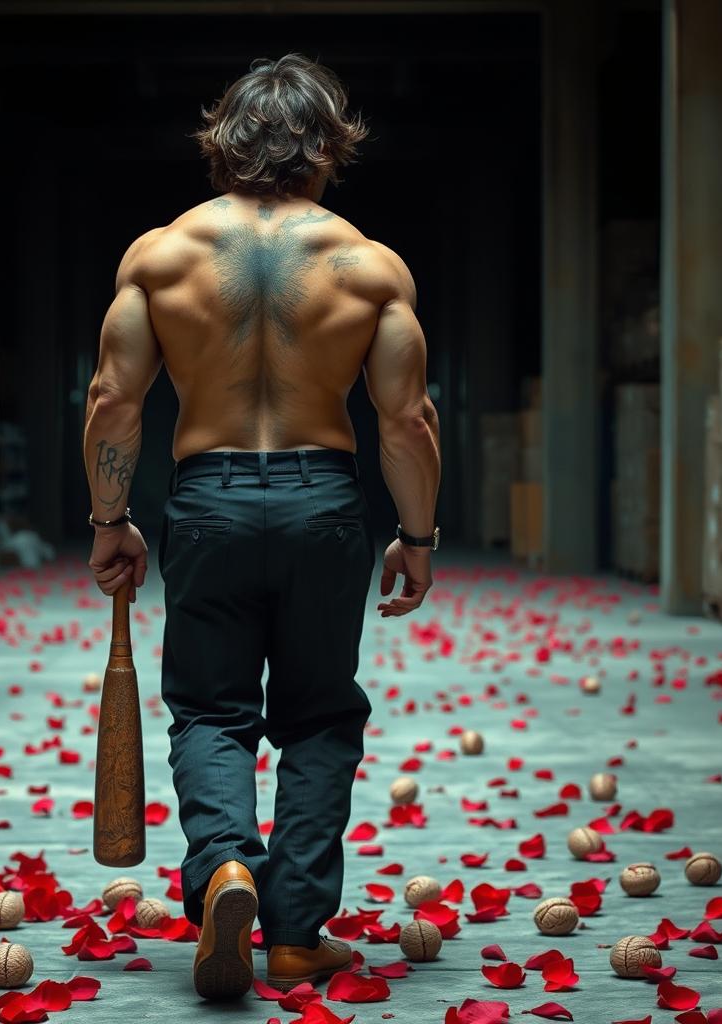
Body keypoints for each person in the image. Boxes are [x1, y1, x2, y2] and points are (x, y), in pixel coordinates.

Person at [82, 52, 441, 1001]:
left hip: (208, 503)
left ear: (225, 144)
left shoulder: (160, 257)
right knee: (321, 714)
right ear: (327, 145)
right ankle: (292, 932)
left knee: (210, 707)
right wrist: (418, 536)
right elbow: (406, 421)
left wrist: (109, 519)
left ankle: (225, 871)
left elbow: (114, 398)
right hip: (326, 502)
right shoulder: (369, 266)